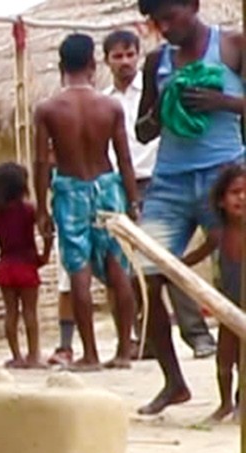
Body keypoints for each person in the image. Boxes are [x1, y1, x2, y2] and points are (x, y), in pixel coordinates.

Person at [133, 0, 246, 413]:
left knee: (237, 283)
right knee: (145, 278)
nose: (164, 28)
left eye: (170, 18)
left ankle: (240, 389)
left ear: (193, 7)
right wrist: (163, 110)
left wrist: (223, 104)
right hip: (170, 183)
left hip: (228, 178)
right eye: (156, 22)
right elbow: (142, 131)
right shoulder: (157, 62)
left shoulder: (233, 46)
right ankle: (173, 382)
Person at [108, 26, 219, 360]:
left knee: (172, 265)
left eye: (130, 54)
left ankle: (197, 335)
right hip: (126, 185)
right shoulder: (106, 101)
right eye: (118, 56)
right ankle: (150, 341)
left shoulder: (157, 84)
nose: (126, 62)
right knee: (143, 270)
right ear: (107, 61)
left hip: (165, 180)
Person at [34, 32, 142, 369]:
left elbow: (40, 163)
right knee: (118, 266)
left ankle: (91, 354)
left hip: (69, 190)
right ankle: (124, 352)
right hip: (108, 186)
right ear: (94, 66)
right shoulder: (109, 106)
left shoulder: (48, 108)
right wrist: (133, 202)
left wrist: (41, 208)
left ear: (60, 67)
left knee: (78, 271)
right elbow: (124, 159)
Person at [181, 162, 246, 421]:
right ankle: (224, 403)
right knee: (224, 359)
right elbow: (196, 256)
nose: (242, 197)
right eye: (235, 192)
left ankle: (242, 403)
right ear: (221, 201)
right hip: (227, 306)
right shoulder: (218, 235)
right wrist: (173, 266)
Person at [0, 161, 50, 368]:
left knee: (10, 313)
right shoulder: (28, 210)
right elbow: (46, 232)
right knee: (30, 312)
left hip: (5, 266)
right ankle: (33, 355)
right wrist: (45, 255)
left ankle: (16, 356)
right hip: (26, 265)